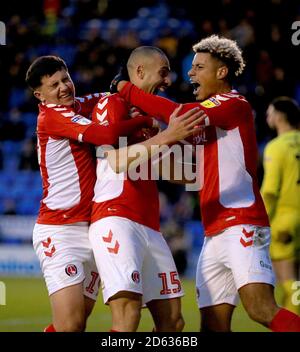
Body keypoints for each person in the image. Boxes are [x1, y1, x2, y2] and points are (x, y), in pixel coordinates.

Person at [111, 35, 300, 332]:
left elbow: (179, 114)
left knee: (260, 308)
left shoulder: (233, 104)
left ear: (221, 72)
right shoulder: (209, 122)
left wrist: (126, 89)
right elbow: (190, 172)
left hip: (241, 223)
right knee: (212, 325)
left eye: (199, 67)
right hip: (214, 231)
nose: (190, 73)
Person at [26, 55, 203, 332]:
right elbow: (108, 138)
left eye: (66, 79)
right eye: (54, 85)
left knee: (169, 322)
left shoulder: (81, 104)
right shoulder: (52, 114)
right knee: (73, 325)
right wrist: (148, 120)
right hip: (60, 228)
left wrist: (124, 89)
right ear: (40, 95)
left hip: (91, 226)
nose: (64, 87)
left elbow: (107, 93)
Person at [89, 46, 201, 332]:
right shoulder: (112, 103)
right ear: (139, 72)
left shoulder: (151, 123)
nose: (168, 81)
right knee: (127, 318)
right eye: (163, 73)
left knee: (173, 323)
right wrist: (168, 136)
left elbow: (174, 172)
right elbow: (114, 160)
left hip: (150, 226)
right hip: (117, 218)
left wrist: (211, 164)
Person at [261, 97, 300, 315]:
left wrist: (259, 219)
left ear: (278, 117)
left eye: (269, 112)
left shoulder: (276, 147)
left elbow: (270, 191)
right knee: (297, 284)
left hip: (284, 222)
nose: (268, 117)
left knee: (290, 283)